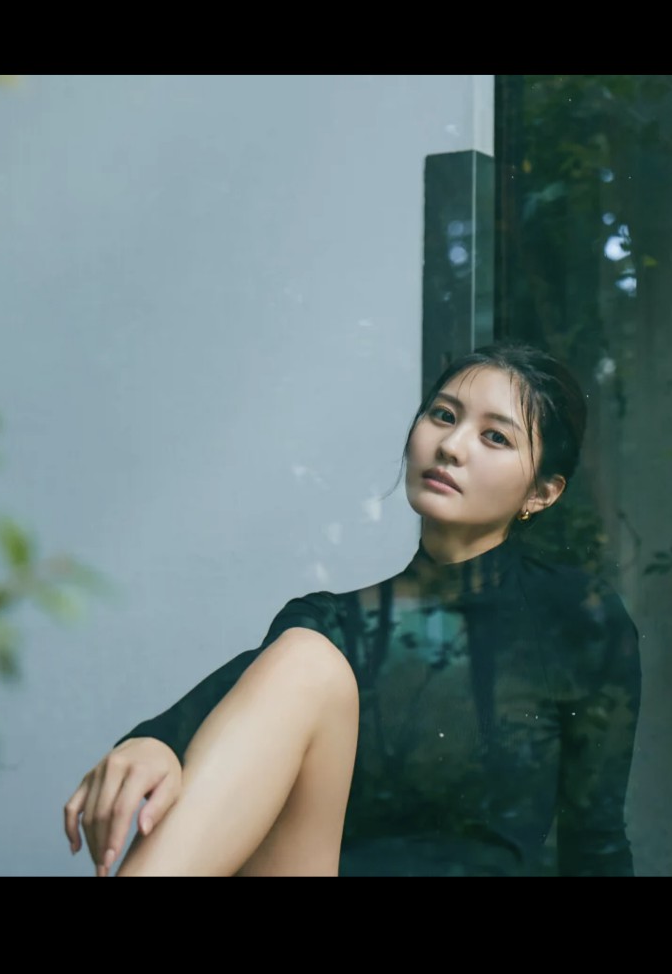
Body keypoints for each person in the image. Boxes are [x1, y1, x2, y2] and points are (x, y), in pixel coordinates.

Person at [62, 341, 641, 876]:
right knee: (305, 657)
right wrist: (153, 742)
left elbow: (595, 837)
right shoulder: (328, 629)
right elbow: (210, 714)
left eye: (495, 437)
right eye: (443, 415)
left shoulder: (579, 621)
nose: (451, 446)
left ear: (542, 492)